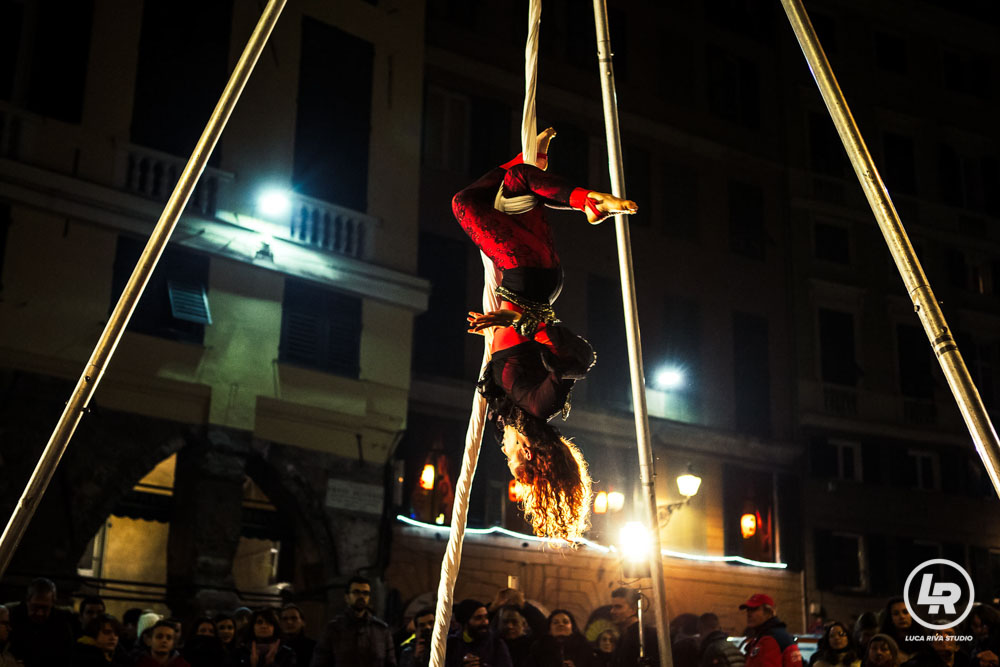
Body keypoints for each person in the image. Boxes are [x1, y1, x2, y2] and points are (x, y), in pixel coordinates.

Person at [455, 127, 636, 540]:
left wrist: (508, 324)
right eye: (515, 465)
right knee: (464, 204)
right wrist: (516, 323)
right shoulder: (539, 406)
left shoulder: (513, 411)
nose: (506, 457)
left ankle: (571, 189)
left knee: (519, 182)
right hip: (525, 277)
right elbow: (579, 359)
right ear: (533, 455)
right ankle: (587, 198)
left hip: (533, 276)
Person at [311, 576, 395, 667]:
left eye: (365, 593)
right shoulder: (333, 629)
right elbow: (319, 662)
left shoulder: (381, 630)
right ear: (347, 597)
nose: (361, 596)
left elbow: (390, 663)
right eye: (356, 592)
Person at [8, 576, 76, 666]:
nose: (40, 613)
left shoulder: (61, 624)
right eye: (35, 607)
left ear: (52, 604)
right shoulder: (12, 617)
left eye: (45, 608)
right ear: (27, 601)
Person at [739, 593, 802, 667]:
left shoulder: (770, 640)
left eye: (754, 609)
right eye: (748, 610)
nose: (749, 614)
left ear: (768, 612)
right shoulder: (778, 635)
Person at [444, 599, 511, 667]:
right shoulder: (451, 645)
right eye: (478, 618)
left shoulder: (496, 644)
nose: (485, 622)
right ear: (465, 622)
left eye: (486, 617)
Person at [526, 609, 596, 667]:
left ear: (572, 628)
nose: (561, 624)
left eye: (565, 622)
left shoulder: (584, 649)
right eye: (555, 622)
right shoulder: (538, 649)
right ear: (549, 629)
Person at [609, 587, 658, 667]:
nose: (612, 611)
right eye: (612, 607)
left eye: (618, 607)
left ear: (633, 609)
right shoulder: (623, 636)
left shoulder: (646, 636)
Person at [879, 598, 917, 663]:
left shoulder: (924, 641)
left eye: (905, 612)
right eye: (896, 613)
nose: (902, 617)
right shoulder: (881, 642)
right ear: (890, 618)